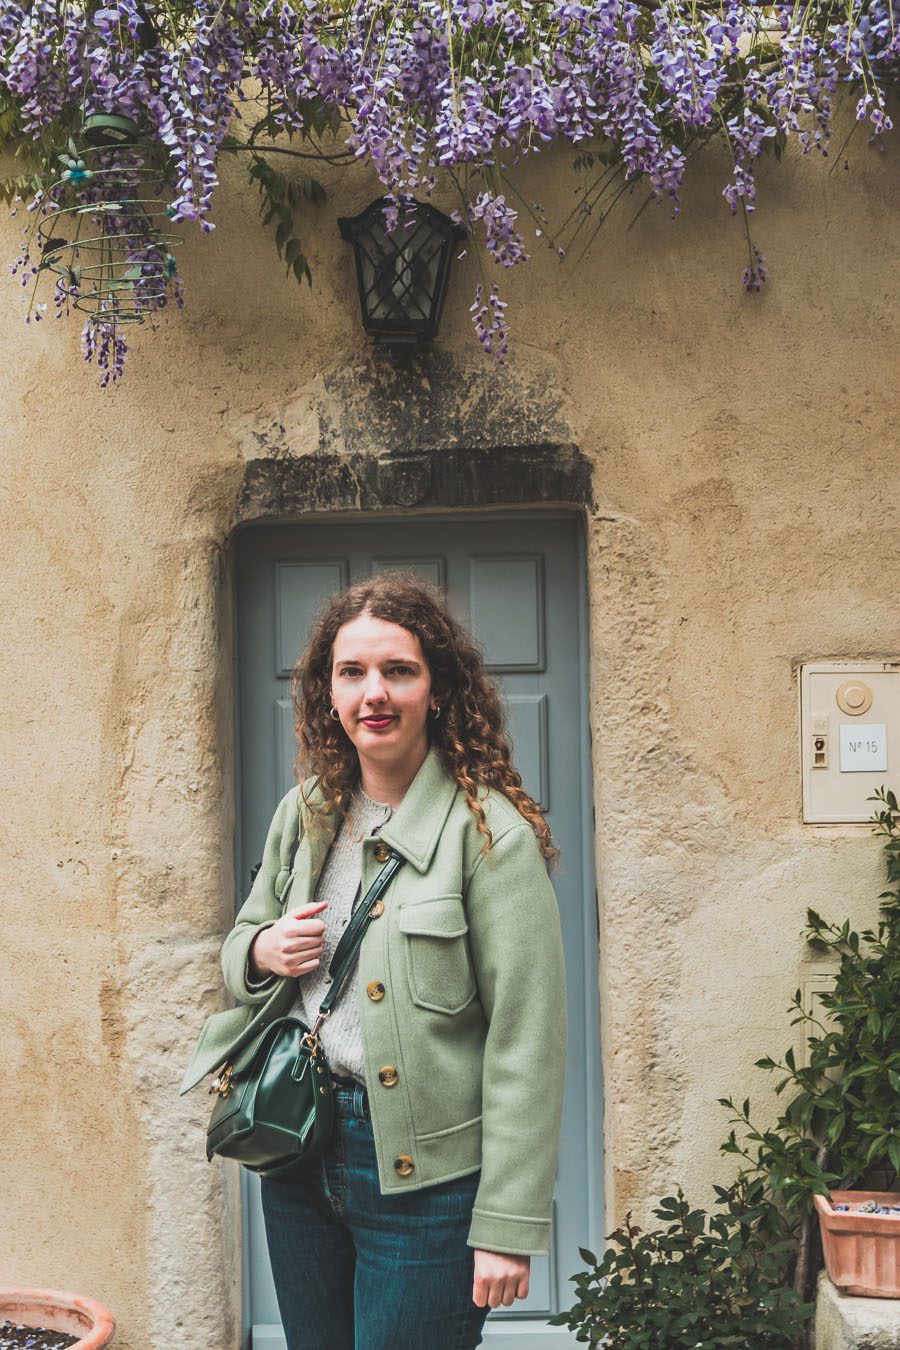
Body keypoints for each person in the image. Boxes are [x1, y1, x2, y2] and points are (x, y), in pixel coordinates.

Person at [206, 571, 566, 1350]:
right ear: (329, 695)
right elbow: (239, 948)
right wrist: (266, 950)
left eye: (398, 671)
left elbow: (526, 1041)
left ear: (438, 691)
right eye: (352, 672)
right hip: (300, 1156)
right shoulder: (306, 815)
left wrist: (506, 1224)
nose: (375, 692)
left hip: (427, 1180)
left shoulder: (489, 836)